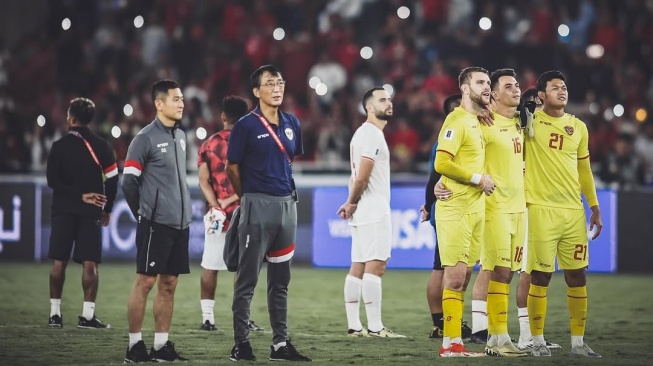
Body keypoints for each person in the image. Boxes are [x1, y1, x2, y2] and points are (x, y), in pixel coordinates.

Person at [226, 65, 311, 362]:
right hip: (256, 204)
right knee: (247, 280)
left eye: (280, 83)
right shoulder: (245, 125)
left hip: (287, 205)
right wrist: (247, 196)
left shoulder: (292, 122)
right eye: (270, 83)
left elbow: (288, 160)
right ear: (256, 91)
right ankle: (242, 343)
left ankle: (280, 344)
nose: (277, 88)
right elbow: (231, 167)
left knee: (280, 281)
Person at [525, 70, 603, 357]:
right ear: (541, 95)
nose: (562, 91)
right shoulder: (529, 121)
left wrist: (594, 207)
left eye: (564, 87)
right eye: (555, 87)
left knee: (577, 275)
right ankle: (535, 339)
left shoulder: (579, 127)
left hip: (573, 212)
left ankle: (578, 343)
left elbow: (584, 170)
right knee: (540, 277)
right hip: (540, 210)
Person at [122, 80, 191, 363]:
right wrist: (144, 213)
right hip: (155, 223)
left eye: (182, 98)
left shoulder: (182, 136)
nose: (182, 103)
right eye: (176, 99)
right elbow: (128, 183)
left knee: (169, 284)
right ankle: (134, 346)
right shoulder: (144, 139)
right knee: (146, 282)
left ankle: (161, 347)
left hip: (180, 223)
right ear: (159, 103)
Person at [433, 66, 495, 357]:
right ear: (465, 88)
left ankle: (455, 341)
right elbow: (441, 163)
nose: (486, 86)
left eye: (488, 82)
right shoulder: (456, 120)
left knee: (465, 278)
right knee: (455, 278)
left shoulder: (480, 120)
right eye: (480, 82)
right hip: (455, 208)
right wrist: (476, 180)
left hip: (475, 209)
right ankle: (449, 344)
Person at [337, 87, 405, 339]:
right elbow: (362, 175)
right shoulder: (372, 135)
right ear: (368, 107)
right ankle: (375, 327)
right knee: (375, 267)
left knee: (358, 266)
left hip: (363, 210)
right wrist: (352, 201)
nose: (389, 103)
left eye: (389, 99)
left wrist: (351, 202)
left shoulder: (362, 134)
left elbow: (355, 175)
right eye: (382, 100)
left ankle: (355, 326)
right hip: (373, 210)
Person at [46, 97, 118, 329]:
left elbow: (52, 181)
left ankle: (55, 315)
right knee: (90, 264)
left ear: (72, 118)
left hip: (64, 210)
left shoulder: (59, 146)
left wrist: (76, 195)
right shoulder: (102, 145)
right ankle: (87, 316)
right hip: (91, 211)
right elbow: (114, 178)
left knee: (59, 263)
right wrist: (107, 208)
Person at [197, 95, 264, 333]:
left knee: (210, 264)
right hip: (244, 212)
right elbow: (253, 180)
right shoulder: (250, 143)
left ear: (223, 116)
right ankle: (242, 319)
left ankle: (207, 319)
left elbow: (203, 181)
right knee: (243, 268)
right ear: (245, 117)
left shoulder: (208, 144)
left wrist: (216, 204)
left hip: (217, 216)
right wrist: (232, 199)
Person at [478, 68, 528, 357]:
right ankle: (499, 336)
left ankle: (496, 340)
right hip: (494, 208)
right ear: (494, 94)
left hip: (519, 209)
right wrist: (439, 186)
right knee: (498, 270)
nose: (516, 89)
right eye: (509, 86)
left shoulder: (523, 123)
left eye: (517, 85)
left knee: (507, 274)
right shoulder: (482, 124)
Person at [420, 94, 471, 341]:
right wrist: (429, 205)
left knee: (446, 266)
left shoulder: (455, 136)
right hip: (448, 209)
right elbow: (434, 176)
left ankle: (445, 321)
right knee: (443, 267)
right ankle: (441, 323)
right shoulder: (447, 139)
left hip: (451, 207)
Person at [513, 88, 561, 351]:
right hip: (524, 206)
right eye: (531, 103)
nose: (535, 107)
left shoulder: (549, 133)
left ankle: (536, 334)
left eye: (539, 103)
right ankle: (524, 336)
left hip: (545, 207)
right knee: (526, 271)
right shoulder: (519, 128)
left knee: (541, 273)